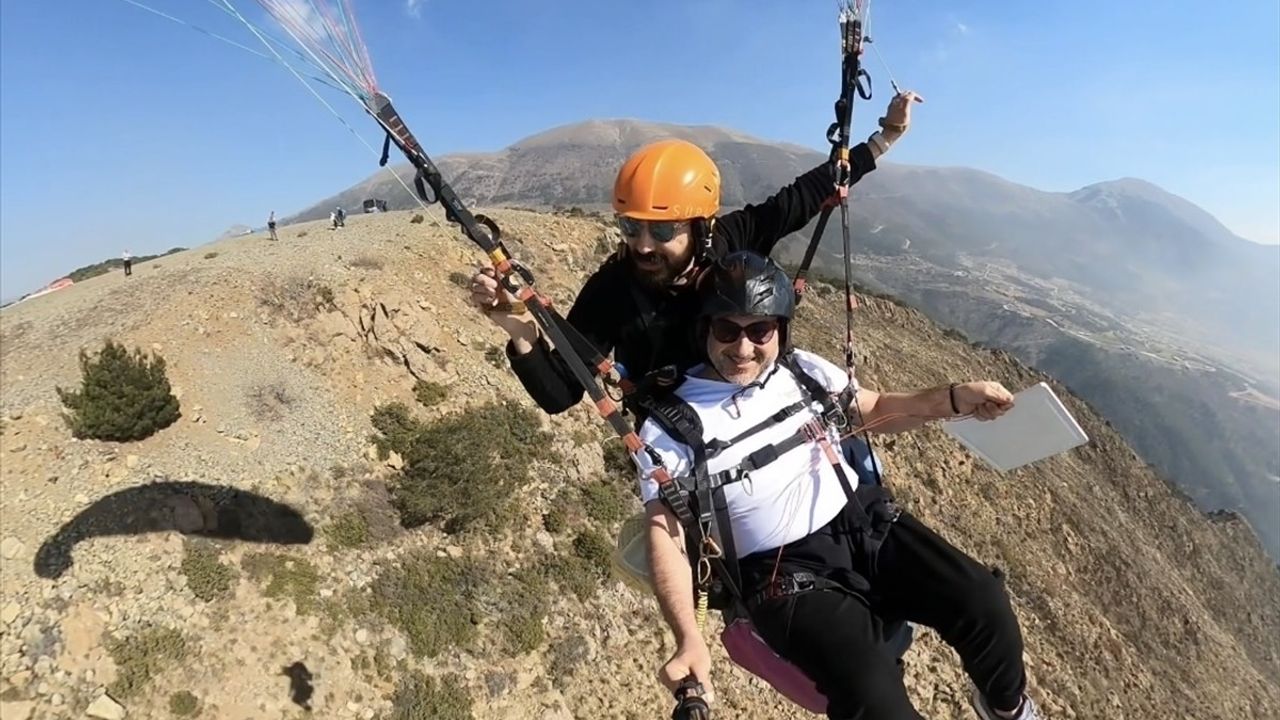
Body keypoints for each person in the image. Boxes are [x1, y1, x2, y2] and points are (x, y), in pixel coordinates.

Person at [634, 251, 1040, 720]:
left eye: (759, 330)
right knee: (875, 699)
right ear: (703, 328)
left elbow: (875, 407)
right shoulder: (670, 427)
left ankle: (1008, 710)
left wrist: (954, 399)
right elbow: (665, 536)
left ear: (780, 331)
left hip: (863, 523)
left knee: (982, 601)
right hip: (784, 577)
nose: (743, 348)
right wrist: (688, 635)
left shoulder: (802, 371)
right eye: (727, 330)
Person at [469, 92, 924, 419]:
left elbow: (804, 196)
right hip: (684, 442)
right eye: (630, 227)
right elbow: (563, 393)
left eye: (663, 229)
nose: (642, 244)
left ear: (700, 227)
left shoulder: (731, 236)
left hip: (756, 403)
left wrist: (885, 138)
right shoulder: (615, 289)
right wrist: (522, 334)